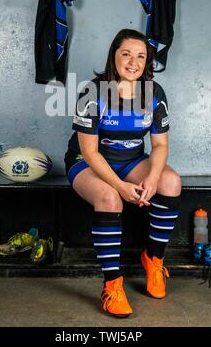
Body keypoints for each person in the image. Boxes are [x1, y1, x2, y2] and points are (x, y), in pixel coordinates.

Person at [64, 29, 181, 318]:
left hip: (130, 160)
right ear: (113, 56)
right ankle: (112, 285)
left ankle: (153, 259)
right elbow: (90, 152)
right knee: (109, 198)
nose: (133, 62)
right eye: (126, 54)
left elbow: (160, 144)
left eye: (141, 56)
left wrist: (152, 180)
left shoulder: (154, 92)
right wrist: (120, 188)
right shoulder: (93, 91)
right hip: (87, 162)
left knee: (170, 180)